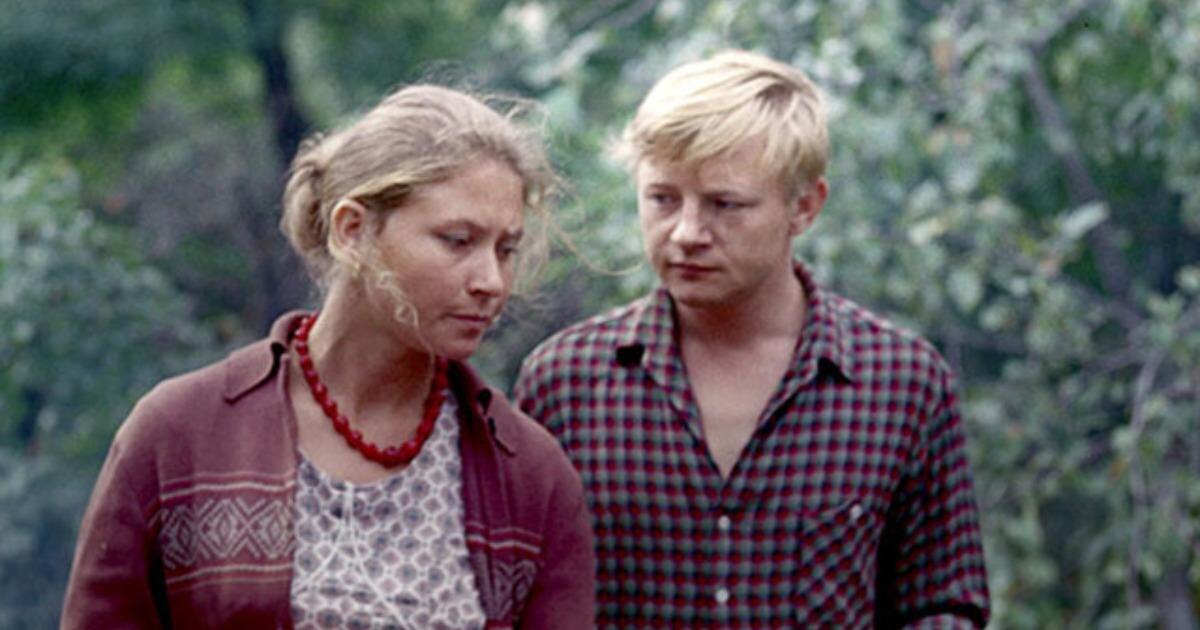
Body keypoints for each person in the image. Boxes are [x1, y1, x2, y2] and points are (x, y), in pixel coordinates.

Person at [62, 84, 595, 629]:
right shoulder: (180, 433)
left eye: (506, 250)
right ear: (352, 230)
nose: (491, 281)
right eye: (457, 240)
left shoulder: (531, 477)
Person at [513, 50, 989, 628]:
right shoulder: (565, 382)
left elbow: (941, 602)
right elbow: (515, 596)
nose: (687, 232)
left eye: (725, 204)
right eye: (663, 199)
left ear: (804, 207)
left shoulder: (901, 381)